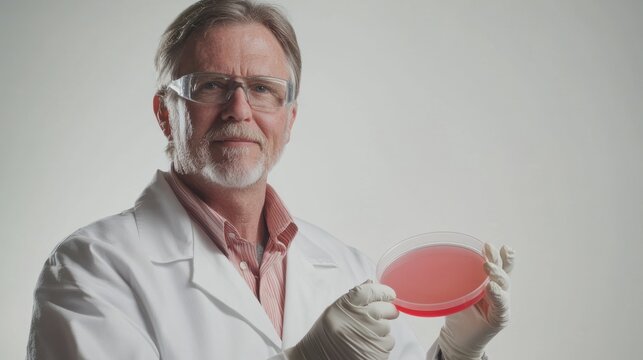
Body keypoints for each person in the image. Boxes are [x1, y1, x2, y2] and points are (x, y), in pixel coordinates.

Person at [27, 1, 515, 359]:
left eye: (262, 89)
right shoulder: (90, 269)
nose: (239, 110)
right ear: (164, 113)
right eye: (211, 86)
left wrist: (455, 353)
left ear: (290, 118)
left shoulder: (344, 268)